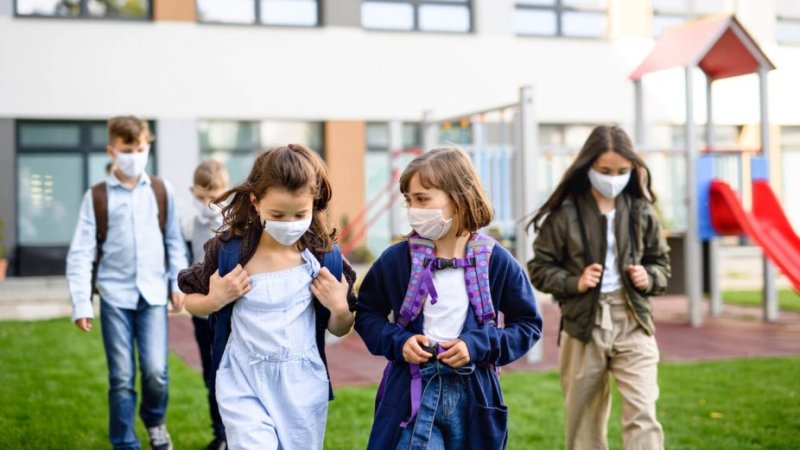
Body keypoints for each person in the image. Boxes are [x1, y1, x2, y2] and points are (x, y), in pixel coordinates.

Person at [355, 147, 543, 450]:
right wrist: (399, 342)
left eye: (423, 199)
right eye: (409, 200)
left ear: (458, 200)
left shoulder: (497, 261)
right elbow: (367, 313)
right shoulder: (396, 260)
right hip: (411, 395)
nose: (413, 209)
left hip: (475, 399)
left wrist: (476, 346)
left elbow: (528, 325)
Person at [177, 144, 357, 450]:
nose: (289, 224)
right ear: (255, 201)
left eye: (300, 214)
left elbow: (340, 327)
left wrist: (339, 308)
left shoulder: (323, 256)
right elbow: (190, 300)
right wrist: (215, 300)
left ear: (313, 204)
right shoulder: (230, 250)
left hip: (303, 385)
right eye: (277, 214)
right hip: (243, 380)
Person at [528, 125, 671, 450]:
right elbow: (538, 269)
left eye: (622, 171)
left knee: (643, 411)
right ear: (588, 166)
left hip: (633, 320)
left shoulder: (641, 211)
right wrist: (574, 282)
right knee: (584, 421)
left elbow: (661, 264)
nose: (613, 178)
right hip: (582, 324)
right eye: (605, 170)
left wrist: (648, 278)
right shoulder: (564, 215)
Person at [66, 115, 188, 450]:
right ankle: (125, 442)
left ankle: (154, 420)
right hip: (114, 297)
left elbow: (174, 241)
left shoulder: (162, 192)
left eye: (140, 148)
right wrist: (80, 302)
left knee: (155, 372)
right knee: (121, 377)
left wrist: (178, 283)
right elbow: (81, 253)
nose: (134, 155)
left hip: (152, 296)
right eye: (127, 149)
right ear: (112, 150)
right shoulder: (97, 197)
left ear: (148, 147)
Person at [187, 159, 229, 450]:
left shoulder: (234, 224)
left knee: (230, 373)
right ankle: (220, 433)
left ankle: (234, 433)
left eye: (214, 197)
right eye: (202, 198)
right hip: (203, 311)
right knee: (210, 374)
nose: (208, 204)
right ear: (193, 193)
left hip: (229, 311)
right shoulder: (190, 225)